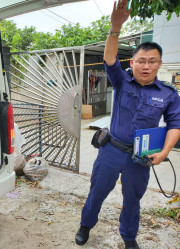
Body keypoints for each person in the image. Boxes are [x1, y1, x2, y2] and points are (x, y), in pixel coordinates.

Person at [75, 0, 180, 248]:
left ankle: (129, 237)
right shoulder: (122, 82)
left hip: (140, 157)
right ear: (132, 63)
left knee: (133, 200)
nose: (146, 65)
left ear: (159, 64)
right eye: (141, 60)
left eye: (152, 61)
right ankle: (85, 225)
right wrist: (115, 28)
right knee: (97, 193)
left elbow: (175, 124)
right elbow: (110, 59)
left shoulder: (168, 93)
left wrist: (164, 152)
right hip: (111, 150)